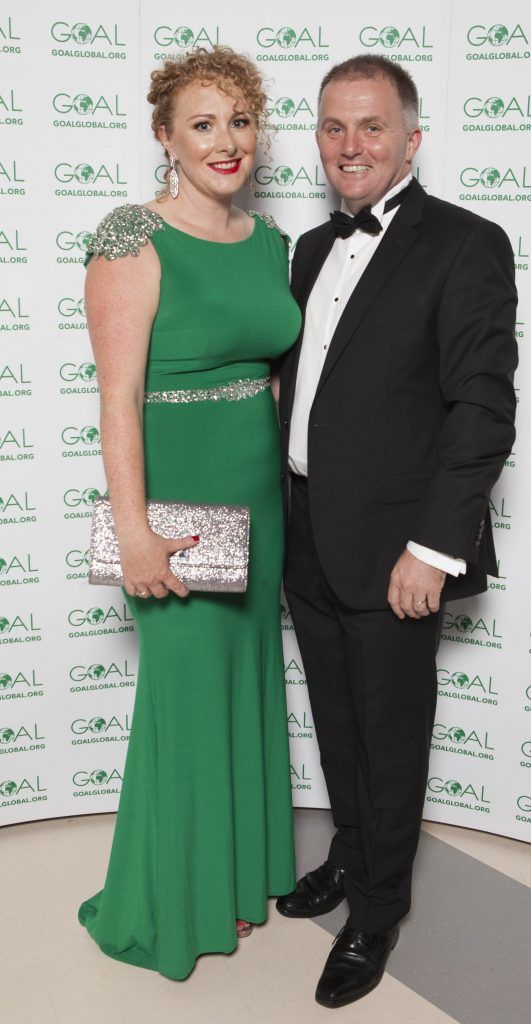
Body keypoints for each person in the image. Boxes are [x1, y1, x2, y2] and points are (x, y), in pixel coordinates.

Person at [278, 55, 518, 1009]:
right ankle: (348, 857)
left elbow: (482, 410)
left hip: (395, 551)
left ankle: (378, 913)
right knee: (338, 723)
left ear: (412, 138)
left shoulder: (467, 242)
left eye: (371, 126)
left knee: (390, 732)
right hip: (306, 531)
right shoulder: (304, 248)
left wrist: (433, 546)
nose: (350, 145)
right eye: (334, 127)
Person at [78, 46, 301, 979]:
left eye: (240, 122)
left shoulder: (271, 242)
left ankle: (233, 880)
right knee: (184, 694)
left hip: (260, 495)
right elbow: (117, 397)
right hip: (176, 503)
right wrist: (133, 529)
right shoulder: (132, 236)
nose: (226, 142)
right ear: (164, 136)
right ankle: (172, 902)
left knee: (243, 684)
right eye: (203, 123)